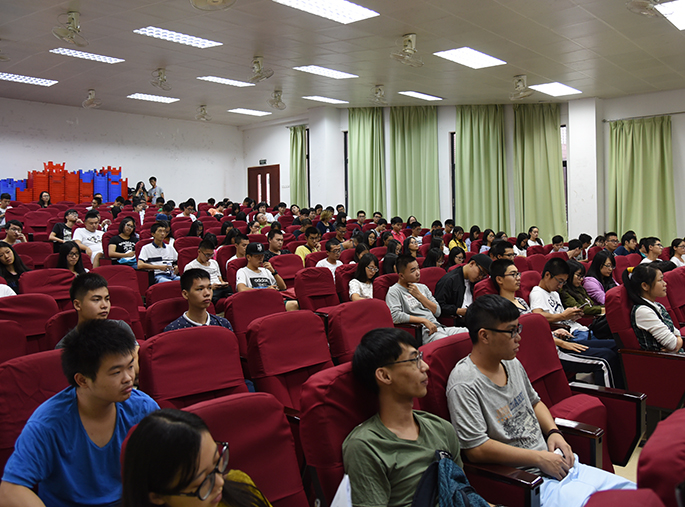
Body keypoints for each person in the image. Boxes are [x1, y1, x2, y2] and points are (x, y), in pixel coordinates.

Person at [446, 295, 635, 507]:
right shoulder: (464, 383)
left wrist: (554, 432)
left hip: (557, 463)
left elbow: (535, 402)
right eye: (511, 331)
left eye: (518, 329)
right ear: (485, 335)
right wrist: (538, 459)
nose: (518, 337)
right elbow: (476, 449)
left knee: (636, 495)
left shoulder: (511, 363)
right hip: (528, 482)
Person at [0, 319, 159, 507]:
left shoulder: (143, 408)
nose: (129, 378)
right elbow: (10, 490)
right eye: (116, 372)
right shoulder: (48, 423)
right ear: (82, 380)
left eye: (130, 366)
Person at [342, 327, 478, 507]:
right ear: (385, 375)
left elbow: (462, 492)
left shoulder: (441, 428)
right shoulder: (366, 446)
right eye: (414, 360)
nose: (425, 366)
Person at [490, 259, 614, 385]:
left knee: (613, 347)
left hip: (555, 339)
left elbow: (536, 327)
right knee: (605, 358)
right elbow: (528, 334)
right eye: (513, 274)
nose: (518, 278)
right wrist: (561, 342)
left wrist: (555, 332)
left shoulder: (521, 301)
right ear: (499, 279)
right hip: (550, 348)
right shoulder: (503, 308)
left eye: (518, 274)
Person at [121, 409, 271, 507]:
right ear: (157, 497)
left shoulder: (240, 485)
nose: (220, 482)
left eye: (216, 462)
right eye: (202, 482)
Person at [529, 258, 620, 386]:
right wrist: (562, 316)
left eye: (564, 282)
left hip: (573, 329)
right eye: (559, 281)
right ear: (548, 275)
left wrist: (572, 315)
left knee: (616, 346)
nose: (560, 286)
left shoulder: (554, 293)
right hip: (564, 338)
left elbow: (560, 316)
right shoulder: (537, 292)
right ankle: (611, 394)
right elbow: (537, 316)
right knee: (606, 356)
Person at [386, 255, 467, 344]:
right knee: (447, 343)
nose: (418, 273)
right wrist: (423, 320)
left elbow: (437, 311)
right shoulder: (394, 291)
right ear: (401, 276)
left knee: (468, 333)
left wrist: (419, 296)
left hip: (439, 328)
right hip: (423, 332)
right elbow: (395, 316)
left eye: (418, 268)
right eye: (413, 270)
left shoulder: (422, 287)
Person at [54, 272, 136, 351]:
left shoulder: (121, 327)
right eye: (96, 300)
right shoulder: (65, 347)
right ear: (77, 305)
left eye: (107, 299)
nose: (104, 305)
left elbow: (135, 355)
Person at [623, 263, 683, 352]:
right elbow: (673, 345)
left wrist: (679, 340)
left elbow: (677, 333)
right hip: (664, 359)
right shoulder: (643, 312)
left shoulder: (657, 305)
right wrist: (678, 341)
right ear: (645, 286)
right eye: (660, 280)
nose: (665, 283)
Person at [164, 269, 234, 332]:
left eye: (209, 288)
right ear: (185, 294)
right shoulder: (174, 330)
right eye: (200, 289)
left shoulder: (223, 324)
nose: (207, 293)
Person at [235, 243, 298, 311]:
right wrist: (266, 290)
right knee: (293, 305)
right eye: (257, 256)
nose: (260, 259)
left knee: (296, 304)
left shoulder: (266, 270)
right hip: (256, 302)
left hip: (272, 300)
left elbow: (283, 287)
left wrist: (274, 272)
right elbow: (241, 289)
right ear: (248, 257)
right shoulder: (242, 271)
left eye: (262, 256)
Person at [435, 253, 492, 319]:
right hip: (456, 319)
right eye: (481, 272)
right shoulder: (449, 280)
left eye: (484, 275)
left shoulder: (475, 282)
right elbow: (438, 305)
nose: (480, 277)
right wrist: (457, 311)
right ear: (472, 263)